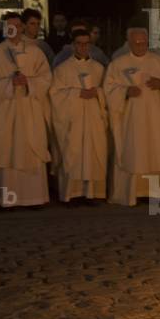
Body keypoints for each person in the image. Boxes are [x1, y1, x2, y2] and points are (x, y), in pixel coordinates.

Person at [0, 12, 52, 208]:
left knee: (31, 147)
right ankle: (7, 199)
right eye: (9, 27)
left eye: (16, 26)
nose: (13, 30)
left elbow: (46, 78)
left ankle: (34, 198)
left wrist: (28, 82)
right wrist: (9, 83)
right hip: (6, 109)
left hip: (29, 108)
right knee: (7, 149)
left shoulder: (35, 52)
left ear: (21, 28)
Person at [104, 27, 160, 206]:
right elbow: (109, 89)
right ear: (129, 43)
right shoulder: (118, 64)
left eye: (143, 43)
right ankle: (132, 193)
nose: (140, 46)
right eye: (136, 43)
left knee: (157, 151)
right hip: (132, 118)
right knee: (134, 152)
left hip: (156, 117)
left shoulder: (159, 62)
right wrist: (125, 91)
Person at [50, 28, 108, 202]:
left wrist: (98, 93)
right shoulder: (62, 69)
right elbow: (55, 95)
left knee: (93, 154)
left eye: (86, 43)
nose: (83, 47)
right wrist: (77, 94)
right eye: (79, 44)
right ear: (73, 45)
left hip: (93, 120)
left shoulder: (98, 68)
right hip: (72, 121)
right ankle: (71, 194)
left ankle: (92, 193)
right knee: (72, 153)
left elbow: (108, 92)